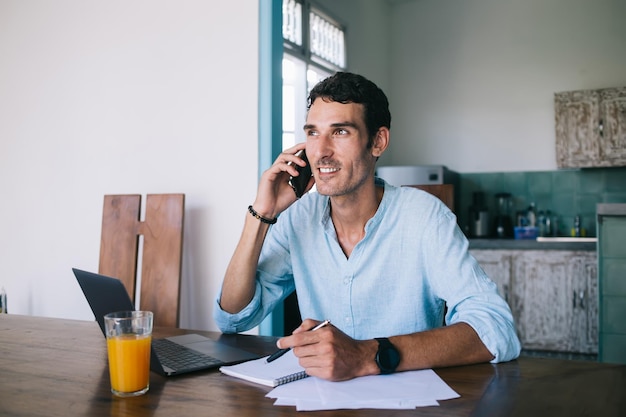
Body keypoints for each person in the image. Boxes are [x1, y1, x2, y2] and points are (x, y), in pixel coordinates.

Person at [214, 72, 521, 382]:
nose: (320, 151)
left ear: (377, 141)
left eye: (340, 132)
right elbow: (233, 317)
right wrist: (262, 214)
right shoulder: (299, 217)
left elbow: (495, 329)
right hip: (323, 401)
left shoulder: (425, 218)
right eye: (312, 132)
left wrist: (367, 355)